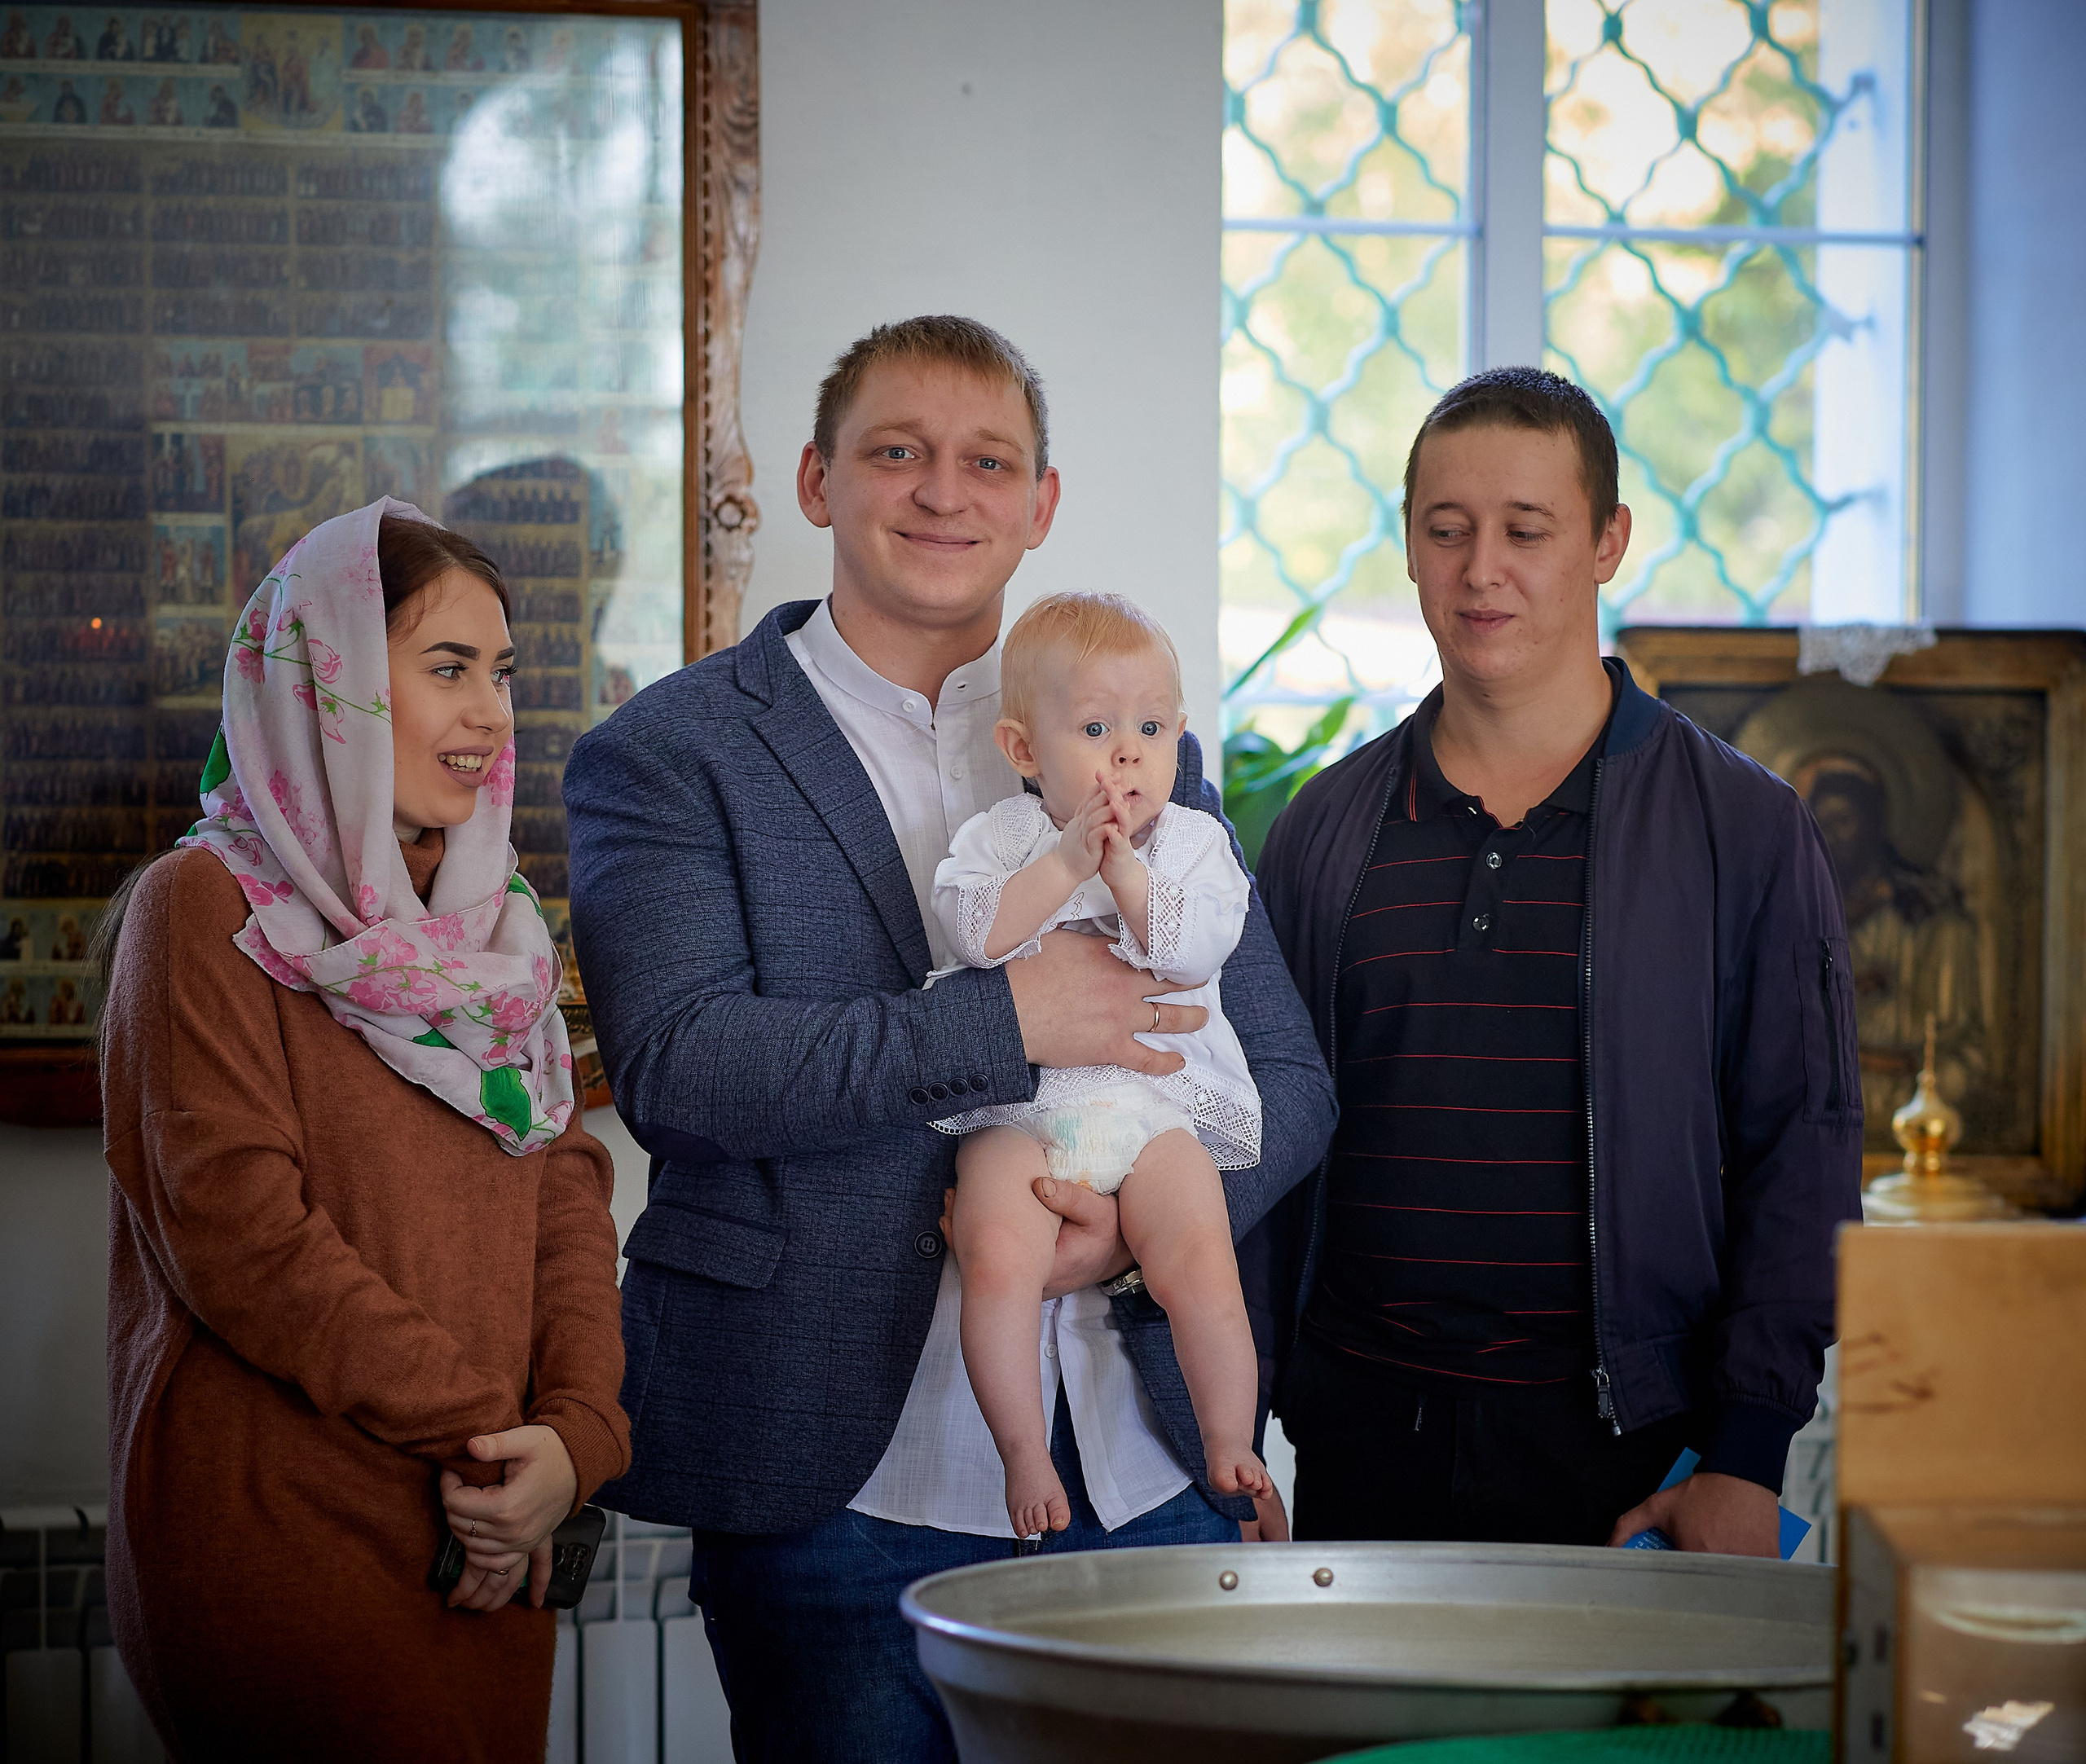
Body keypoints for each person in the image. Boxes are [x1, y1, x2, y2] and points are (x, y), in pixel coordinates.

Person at [563, 315, 1335, 1761]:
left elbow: (1287, 1080)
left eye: (989, 462)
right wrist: (1006, 1019)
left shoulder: (1137, 742)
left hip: (1144, 1465)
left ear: (1042, 504)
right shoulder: (670, 754)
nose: (942, 491)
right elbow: (682, 1066)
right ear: (816, 480)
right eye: (897, 451)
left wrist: (1133, 1226)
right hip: (835, 1495)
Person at [1249, 367, 1864, 1556]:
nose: (1482, 569)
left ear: (1607, 542)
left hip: (1632, 1460)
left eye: (1526, 530)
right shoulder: (1323, 828)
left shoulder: (1742, 826)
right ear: (1412, 546)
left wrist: (1747, 1454)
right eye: (1448, 529)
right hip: (1360, 1447)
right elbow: (1256, 1141)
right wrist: (1230, 1425)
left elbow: (1804, 1146)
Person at [97, 501, 630, 1760]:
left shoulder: (497, 928)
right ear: (323, 683)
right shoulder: (202, 907)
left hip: (489, 1532)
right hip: (286, 1536)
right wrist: (493, 1436)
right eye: (447, 668)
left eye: (502, 673)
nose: (491, 711)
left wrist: (575, 1439)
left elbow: (564, 1187)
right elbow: (242, 1238)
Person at [934, 592, 1271, 1538]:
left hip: (1149, 1106)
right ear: (1023, 748)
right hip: (1019, 1107)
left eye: (1150, 729)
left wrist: (1123, 871)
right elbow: (974, 935)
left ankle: (1228, 1437)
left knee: (1200, 1255)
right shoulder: (1002, 838)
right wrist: (1062, 861)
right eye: (1095, 728)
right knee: (996, 1255)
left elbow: (1194, 951)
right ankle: (1022, 1449)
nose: (1127, 753)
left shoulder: (1194, 842)